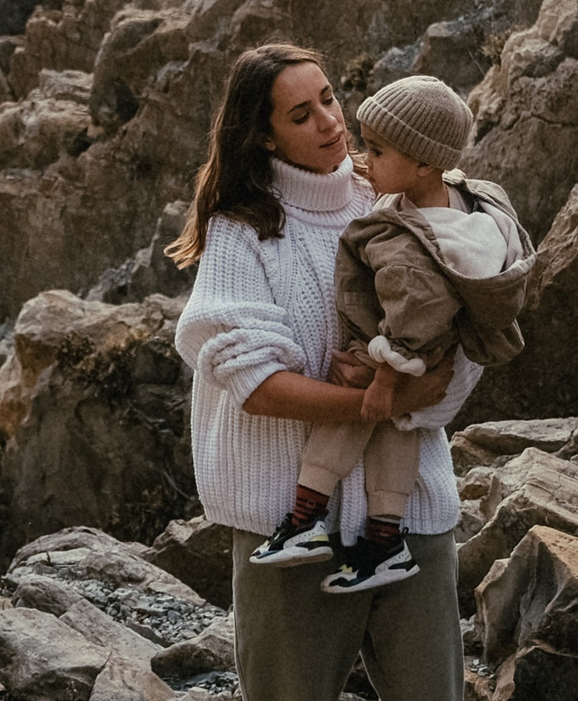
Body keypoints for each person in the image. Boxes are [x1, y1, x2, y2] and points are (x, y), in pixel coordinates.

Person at [168, 44, 481, 701]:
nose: (330, 123)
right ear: (263, 133)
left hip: (410, 519)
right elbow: (253, 384)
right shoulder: (241, 229)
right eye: (302, 114)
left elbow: (469, 326)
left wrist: (427, 395)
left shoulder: (393, 196)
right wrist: (377, 399)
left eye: (330, 99)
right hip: (290, 536)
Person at [247, 75, 531, 594]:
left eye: (377, 151)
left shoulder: (411, 241)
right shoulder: (470, 206)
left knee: (356, 412)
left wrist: (382, 378)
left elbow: (416, 314)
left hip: (395, 353)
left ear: (422, 162)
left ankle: (305, 519)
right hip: (420, 360)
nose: (363, 158)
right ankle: (384, 541)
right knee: (399, 426)